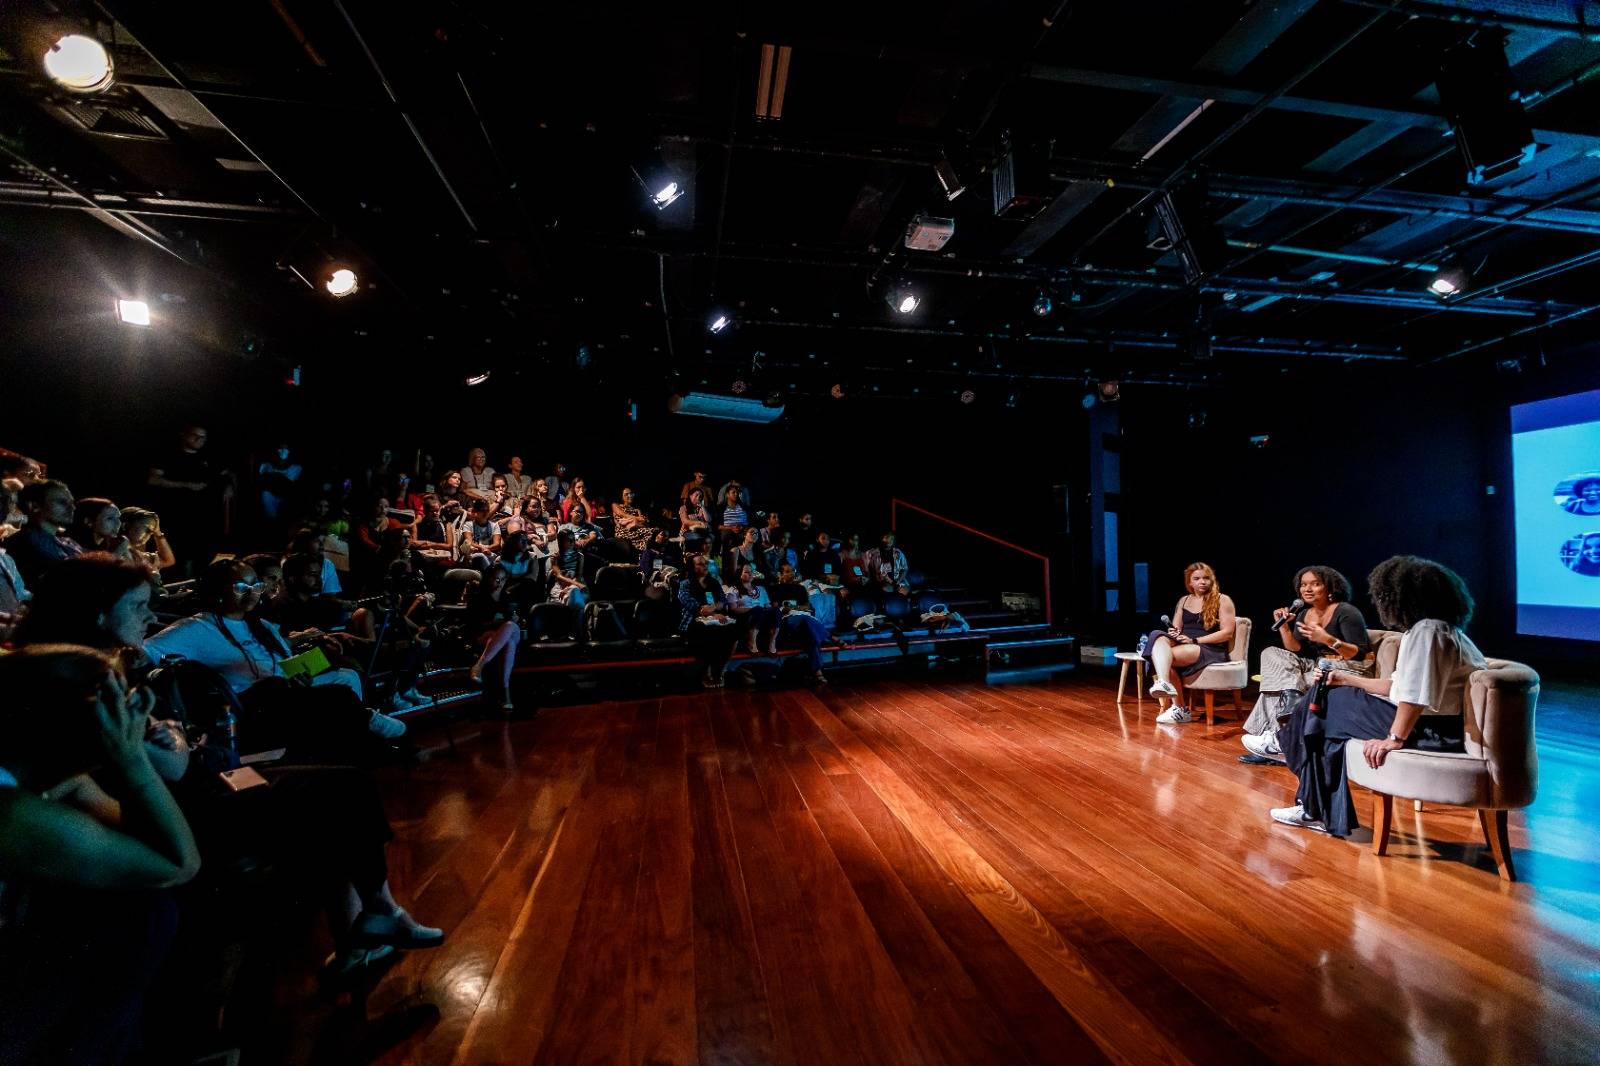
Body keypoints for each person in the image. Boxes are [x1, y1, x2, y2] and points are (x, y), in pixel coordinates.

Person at [0, 645, 202, 1064]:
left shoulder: (43, 776)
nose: (137, 722)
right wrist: (131, 760)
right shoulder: (12, 813)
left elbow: (136, 837)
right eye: (120, 706)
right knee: (145, 915)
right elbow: (177, 863)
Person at [1270, 556, 1486, 837]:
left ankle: (1285, 747)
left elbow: (1414, 696)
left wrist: (1394, 739)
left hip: (1432, 730)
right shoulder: (1433, 629)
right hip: (1430, 724)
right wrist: (1347, 679)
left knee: (1325, 706)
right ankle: (1311, 801)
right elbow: (1397, 685)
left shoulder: (1428, 631)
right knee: (1327, 709)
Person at [143, 559, 406, 742]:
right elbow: (147, 651)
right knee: (337, 695)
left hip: (283, 682)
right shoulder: (197, 627)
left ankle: (360, 730)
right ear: (218, 590)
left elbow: (284, 662)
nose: (252, 593)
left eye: (254, 586)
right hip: (251, 703)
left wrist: (314, 661)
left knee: (346, 673)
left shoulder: (261, 625)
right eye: (240, 588)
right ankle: (366, 723)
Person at [1240, 566, 1372, 763]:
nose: (1307, 589)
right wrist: (1284, 627)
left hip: (1346, 667)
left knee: (1278, 687)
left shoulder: (1346, 611)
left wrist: (1327, 639)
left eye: (1315, 584)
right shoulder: (1304, 614)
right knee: (1271, 654)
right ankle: (1290, 699)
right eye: (1303, 585)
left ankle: (1279, 745)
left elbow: (1359, 654)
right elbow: (1295, 649)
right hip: (1317, 665)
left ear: (1330, 589)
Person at [1140, 562, 1237, 725]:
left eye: (1206, 578)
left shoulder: (1222, 599)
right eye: (1197, 578)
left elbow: (1227, 633)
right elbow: (1176, 628)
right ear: (1189, 582)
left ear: (1212, 580)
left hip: (1208, 647)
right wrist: (1174, 633)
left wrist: (1195, 640)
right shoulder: (1184, 600)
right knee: (1157, 636)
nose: (1202, 582)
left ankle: (1179, 708)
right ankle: (1166, 685)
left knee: (1165, 658)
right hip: (1185, 644)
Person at [145, 425, 231, 573]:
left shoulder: (208, 456)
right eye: (195, 435)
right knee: (182, 555)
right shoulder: (168, 455)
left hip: (204, 514)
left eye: (203, 437)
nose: (199, 440)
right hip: (177, 513)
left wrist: (229, 486)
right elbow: (153, 479)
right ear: (183, 435)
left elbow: (227, 473)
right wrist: (187, 485)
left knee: (205, 553)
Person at [7, 479, 83, 586]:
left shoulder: (67, 543)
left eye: (71, 503)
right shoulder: (23, 543)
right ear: (35, 506)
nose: (72, 507)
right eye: (62, 502)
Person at [678, 553, 737, 688]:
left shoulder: (714, 582)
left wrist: (713, 609)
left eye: (705, 563)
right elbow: (693, 606)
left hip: (715, 619)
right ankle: (707, 672)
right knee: (707, 633)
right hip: (692, 622)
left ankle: (721, 670)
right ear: (692, 568)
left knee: (733, 632)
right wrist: (711, 610)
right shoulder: (685, 584)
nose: (705, 566)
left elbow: (722, 601)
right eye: (700, 564)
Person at [120, 506, 176, 576]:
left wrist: (157, 533)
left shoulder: (139, 556)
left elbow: (167, 560)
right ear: (125, 526)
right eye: (146, 528)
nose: (150, 533)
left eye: (152, 531)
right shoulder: (113, 554)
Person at [257, 444, 302, 522]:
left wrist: (274, 472)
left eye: (286, 449)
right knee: (271, 518)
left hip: (285, 497)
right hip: (269, 495)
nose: (283, 451)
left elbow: (290, 478)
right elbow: (261, 472)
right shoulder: (268, 463)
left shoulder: (296, 466)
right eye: (281, 449)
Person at [612, 487, 665, 551]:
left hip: (637, 530)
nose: (630, 496)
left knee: (658, 532)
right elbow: (622, 514)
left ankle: (651, 552)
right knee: (653, 533)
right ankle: (649, 551)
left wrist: (637, 521)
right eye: (626, 494)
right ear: (621, 497)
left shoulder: (636, 509)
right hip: (623, 531)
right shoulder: (616, 505)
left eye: (631, 494)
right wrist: (637, 518)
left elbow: (643, 521)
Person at [862, 531, 909, 596]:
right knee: (884, 589)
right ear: (881, 538)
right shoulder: (871, 553)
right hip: (880, 584)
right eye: (887, 537)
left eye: (892, 538)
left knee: (904, 591)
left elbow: (905, 569)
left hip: (897, 583)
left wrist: (898, 581)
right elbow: (866, 571)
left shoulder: (898, 553)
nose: (889, 540)